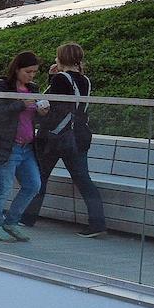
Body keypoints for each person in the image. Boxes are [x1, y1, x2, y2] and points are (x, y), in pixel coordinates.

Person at [20, 42, 107, 237]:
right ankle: (97, 224)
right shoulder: (84, 80)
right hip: (78, 137)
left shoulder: (61, 78)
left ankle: (27, 217)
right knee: (84, 180)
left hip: (55, 138)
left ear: (62, 58)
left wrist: (51, 81)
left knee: (39, 178)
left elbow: (51, 105)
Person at [0, 51, 48, 242]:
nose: (31, 76)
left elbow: (31, 118)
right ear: (17, 69)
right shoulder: (2, 87)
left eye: (34, 72)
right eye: (28, 72)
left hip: (27, 146)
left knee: (33, 185)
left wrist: (41, 112)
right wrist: (20, 105)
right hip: (6, 146)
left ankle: (11, 222)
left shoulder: (33, 88)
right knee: (2, 188)